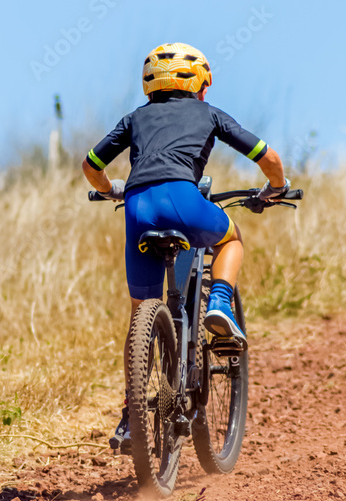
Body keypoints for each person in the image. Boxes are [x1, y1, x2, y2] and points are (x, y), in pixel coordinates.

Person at [82, 43, 289, 451]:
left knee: (140, 312)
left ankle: (131, 414)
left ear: (149, 85)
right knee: (231, 239)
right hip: (185, 199)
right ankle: (220, 304)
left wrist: (110, 191)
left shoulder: (134, 118)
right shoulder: (208, 113)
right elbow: (269, 158)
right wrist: (276, 189)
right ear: (200, 85)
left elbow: (91, 166)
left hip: (137, 209)